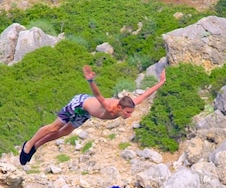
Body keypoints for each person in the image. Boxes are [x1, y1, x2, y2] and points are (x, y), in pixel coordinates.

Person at [20, 65, 167, 165]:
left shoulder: (130, 103)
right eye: (127, 113)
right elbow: (98, 95)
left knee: (64, 132)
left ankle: (36, 146)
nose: (129, 116)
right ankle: (29, 144)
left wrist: (161, 82)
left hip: (85, 113)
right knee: (54, 128)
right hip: (79, 104)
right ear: (120, 107)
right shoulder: (110, 107)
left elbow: (146, 94)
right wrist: (90, 80)